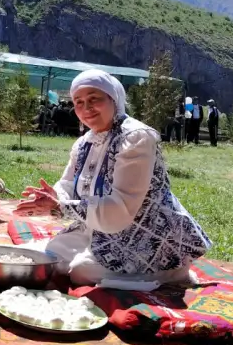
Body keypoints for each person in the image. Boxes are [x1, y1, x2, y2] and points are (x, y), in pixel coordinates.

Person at [14, 70, 213, 287]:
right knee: (47, 259)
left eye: (94, 99)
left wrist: (61, 207)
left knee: (82, 273)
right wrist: (54, 196)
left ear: (113, 99)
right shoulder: (84, 143)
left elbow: (122, 206)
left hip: (144, 232)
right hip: (96, 225)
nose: (86, 108)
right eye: (78, 102)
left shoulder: (135, 137)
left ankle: (172, 272)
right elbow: (69, 184)